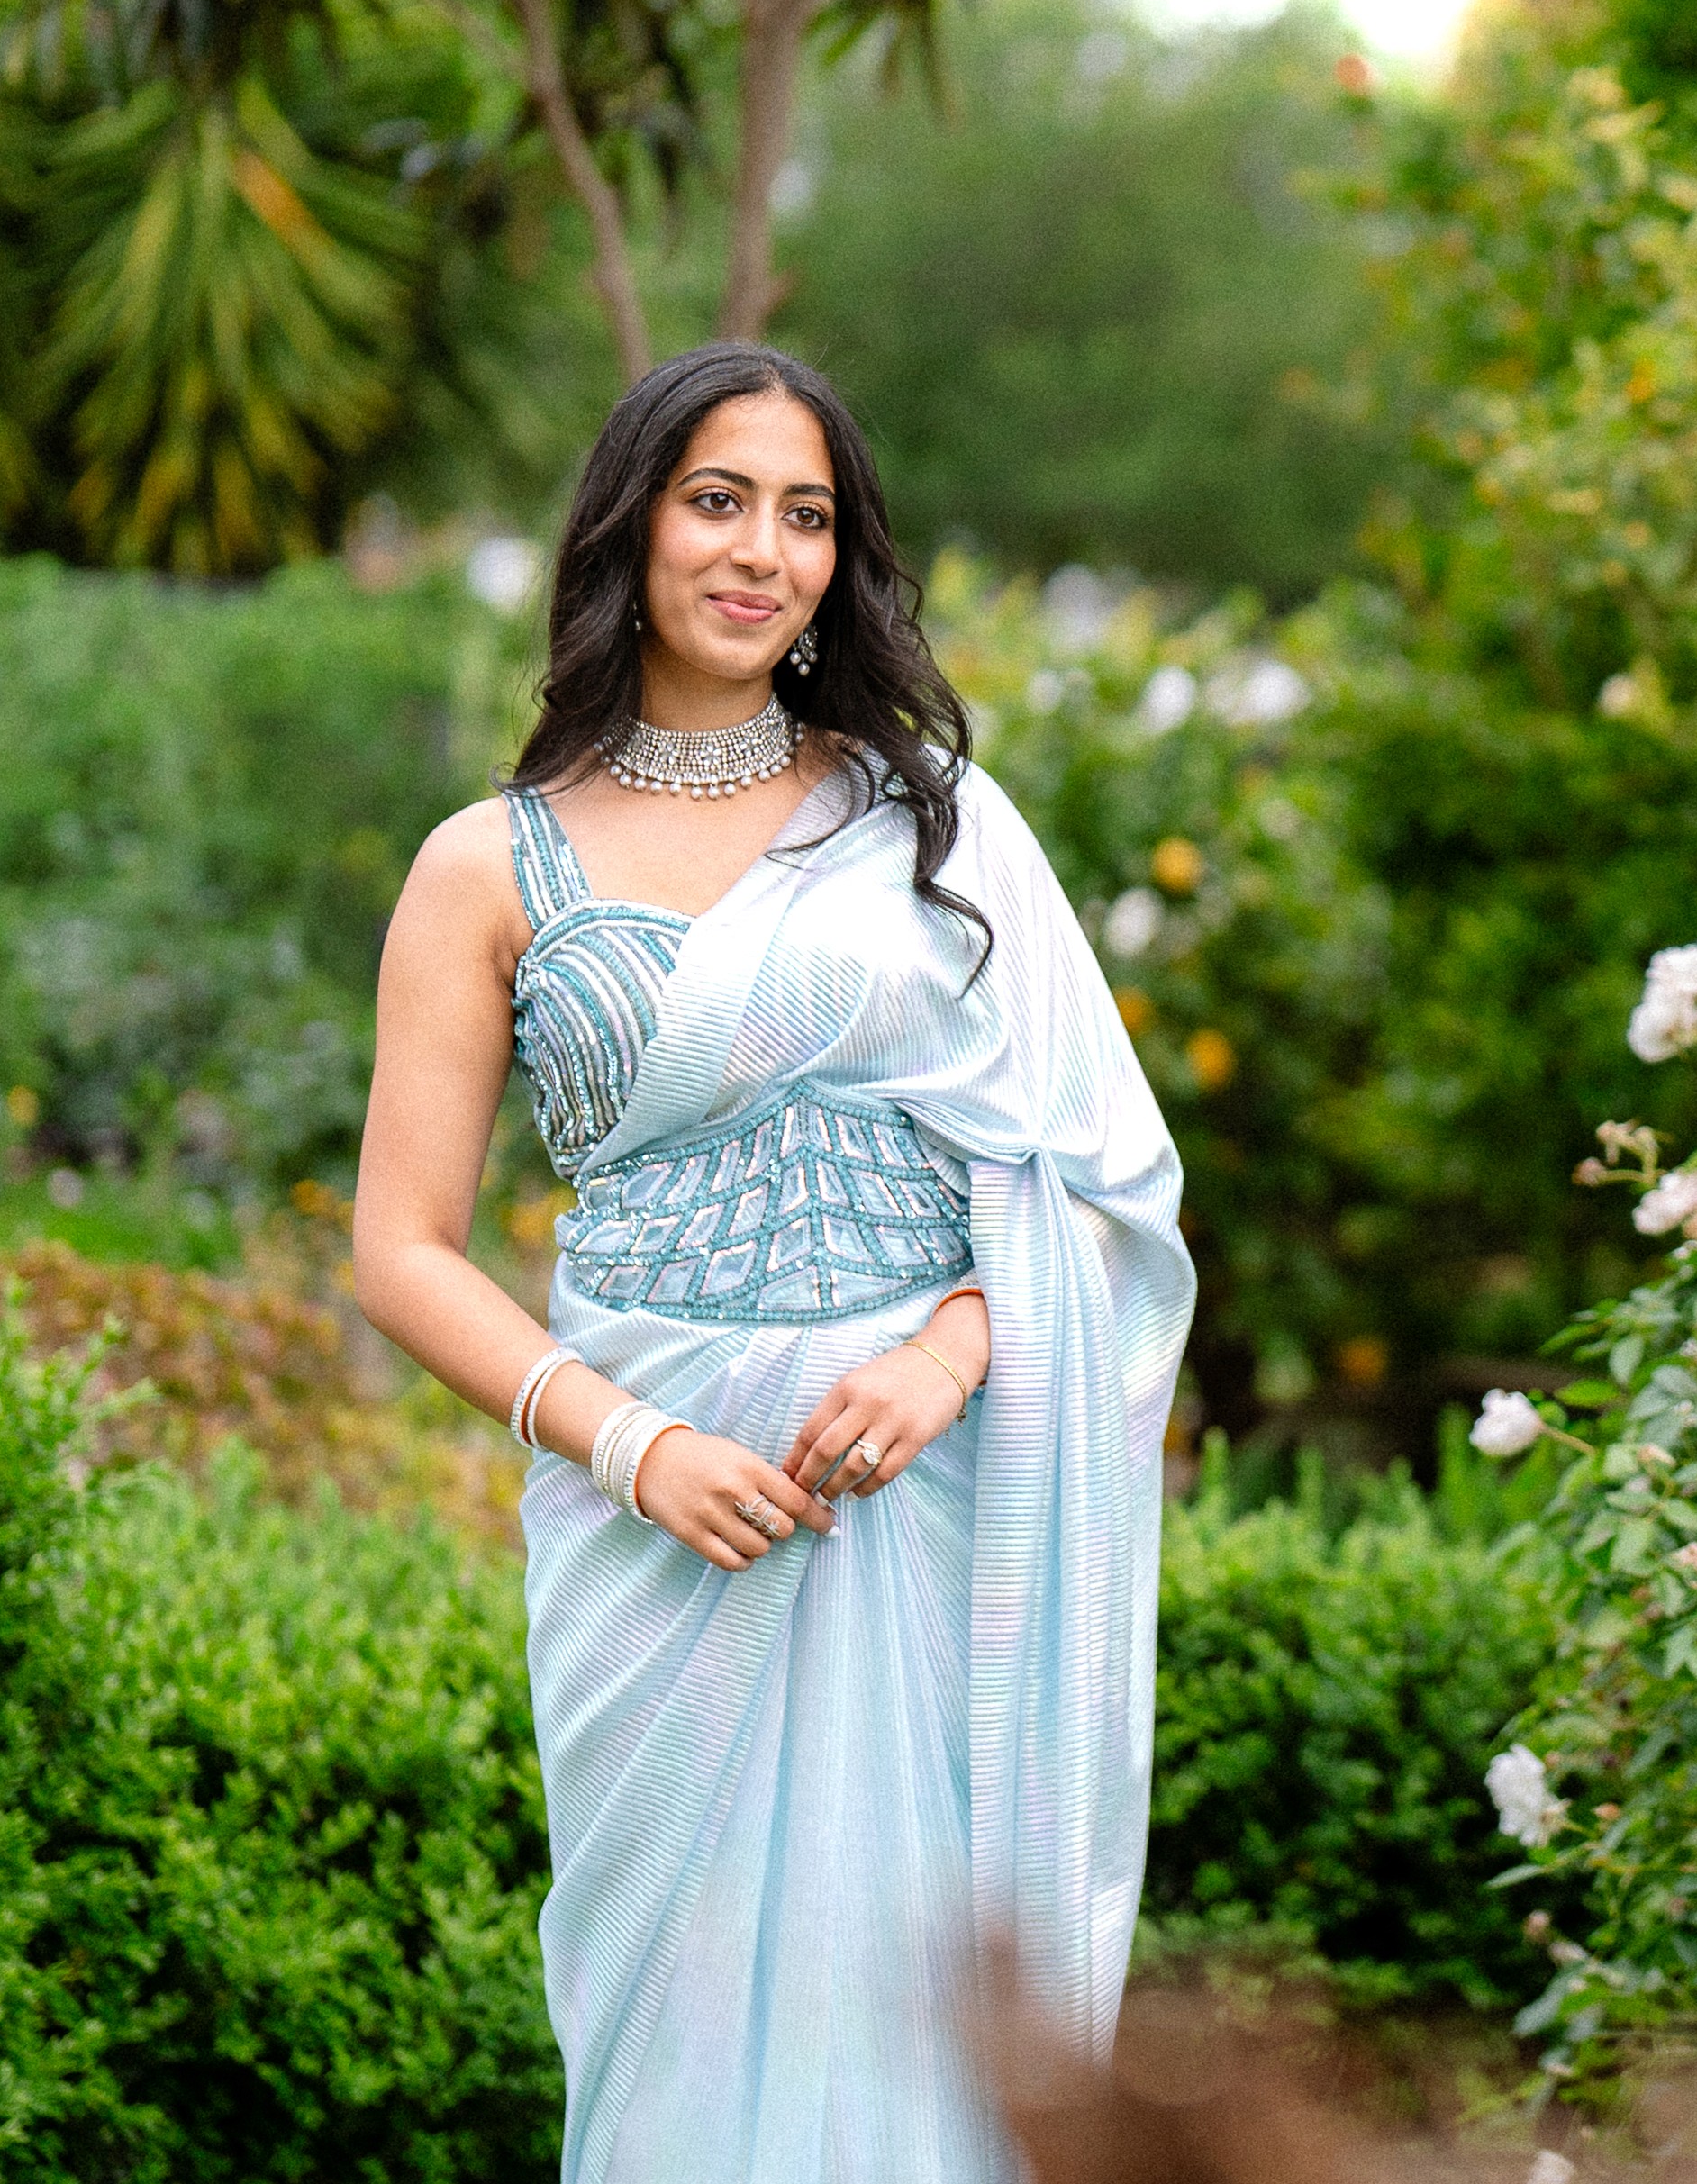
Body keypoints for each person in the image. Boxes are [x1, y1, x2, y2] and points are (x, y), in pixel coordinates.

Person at [350, 343, 1191, 2184]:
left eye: (805, 514)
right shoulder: (484, 866)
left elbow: (1103, 1193)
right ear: (632, 530)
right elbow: (398, 1248)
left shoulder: (931, 829)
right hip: (649, 1533)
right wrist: (631, 1448)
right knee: (677, 2047)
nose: (762, 550)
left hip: (916, 1497)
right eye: (717, 500)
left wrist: (950, 1359)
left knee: (921, 2034)